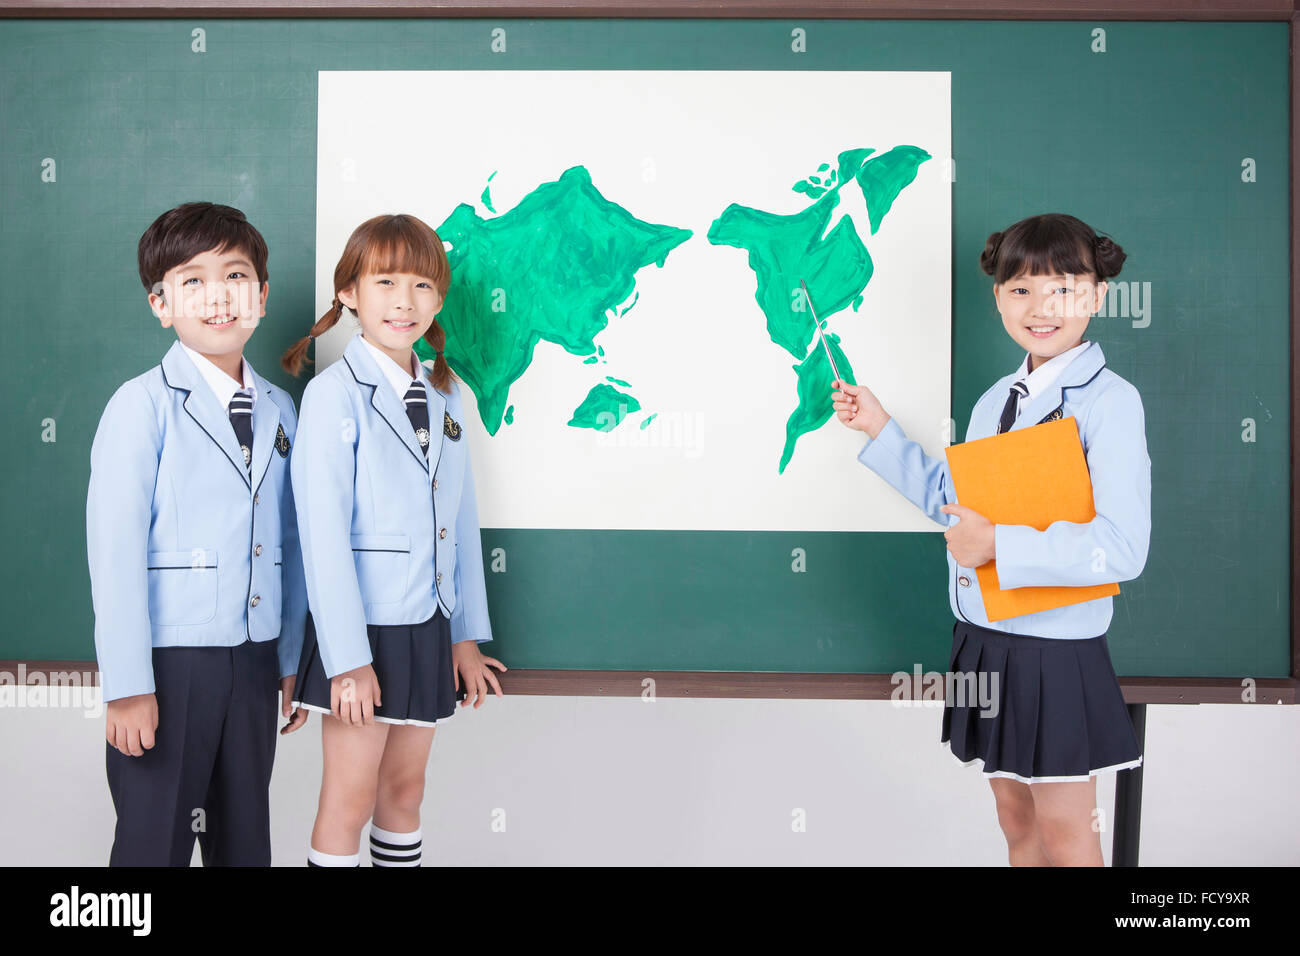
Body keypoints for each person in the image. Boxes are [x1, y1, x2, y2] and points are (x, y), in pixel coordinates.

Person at [833, 213, 1150, 866]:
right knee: (1015, 820)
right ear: (998, 297)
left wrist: (1001, 545)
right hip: (985, 636)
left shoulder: (1109, 402)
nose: (1041, 307)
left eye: (1064, 288)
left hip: (1054, 651)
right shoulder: (994, 401)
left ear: (1098, 296)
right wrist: (879, 428)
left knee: (1067, 832)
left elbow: (1122, 546)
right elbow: (958, 508)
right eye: (1021, 289)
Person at [87, 201, 308, 866]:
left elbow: (293, 544)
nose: (218, 296)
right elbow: (115, 553)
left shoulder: (281, 408)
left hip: (256, 658)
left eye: (236, 276)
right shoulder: (141, 404)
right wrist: (127, 684)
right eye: (192, 280)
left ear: (261, 296)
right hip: (169, 664)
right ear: (161, 304)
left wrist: (292, 660)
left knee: (244, 841)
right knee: (154, 842)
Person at [282, 213, 506, 868]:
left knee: (405, 793)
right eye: (385, 282)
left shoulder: (446, 394)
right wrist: (347, 660)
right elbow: (321, 537)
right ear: (348, 292)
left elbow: (459, 523)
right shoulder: (332, 395)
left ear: (437, 299)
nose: (404, 301)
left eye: (421, 285)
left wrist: (464, 635)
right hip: (362, 633)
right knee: (348, 801)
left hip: (427, 625)